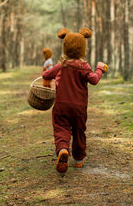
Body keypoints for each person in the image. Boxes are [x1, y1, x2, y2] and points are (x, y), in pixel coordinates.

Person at [42, 28, 108, 174]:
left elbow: (46, 74)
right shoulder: (84, 67)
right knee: (79, 131)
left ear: (65, 47)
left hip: (61, 106)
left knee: (61, 129)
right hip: (79, 108)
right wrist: (100, 69)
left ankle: (63, 150)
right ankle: (78, 159)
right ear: (82, 48)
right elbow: (94, 80)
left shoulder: (61, 66)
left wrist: (52, 78)